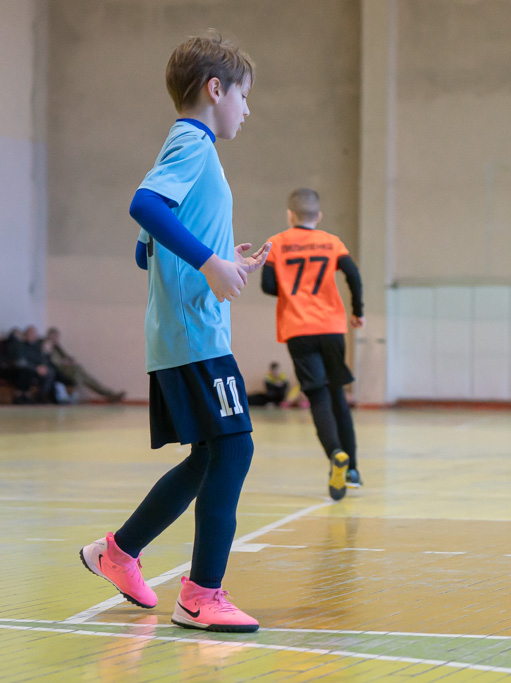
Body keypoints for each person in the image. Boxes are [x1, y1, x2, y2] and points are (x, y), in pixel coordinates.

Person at [78, 33, 270, 633]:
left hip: (182, 333)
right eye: (243, 96)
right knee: (234, 448)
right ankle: (201, 594)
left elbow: (146, 252)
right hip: (194, 335)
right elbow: (145, 208)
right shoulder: (193, 144)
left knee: (211, 454)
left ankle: (118, 553)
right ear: (215, 89)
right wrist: (211, 263)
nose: (247, 109)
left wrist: (220, 255)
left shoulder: (181, 148)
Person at [261, 188, 365, 499]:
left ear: (290, 215)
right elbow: (353, 274)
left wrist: (294, 291)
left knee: (318, 397)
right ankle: (353, 470)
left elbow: (267, 285)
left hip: (298, 330)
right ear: (318, 216)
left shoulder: (276, 243)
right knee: (337, 395)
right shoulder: (332, 242)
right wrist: (358, 311)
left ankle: (335, 452)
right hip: (331, 328)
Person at [44, 327, 126, 403]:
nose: (56, 339)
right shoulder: (46, 346)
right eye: (54, 337)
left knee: (88, 379)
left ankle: (110, 394)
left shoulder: (57, 347)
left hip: (70, 369)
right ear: (49, 336)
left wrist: (70, 360)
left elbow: (66, 357)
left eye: (57, 337)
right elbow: (51, 361)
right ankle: (82, 397)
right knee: (78, 373)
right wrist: (63, 361)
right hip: (60, 370)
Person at [7, 325, 56, 404]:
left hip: (37, 369)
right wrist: (36, 368)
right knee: (26, 372)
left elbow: (42, 358)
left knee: (51, 371)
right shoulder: (21, 345)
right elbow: (20, 361)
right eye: (30, 333)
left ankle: (41, 395)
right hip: (27, 369)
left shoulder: (38, 346)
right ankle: (22, 395)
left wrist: (43, 366)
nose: (32, 335)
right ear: (26, 334)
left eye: (34, 334)